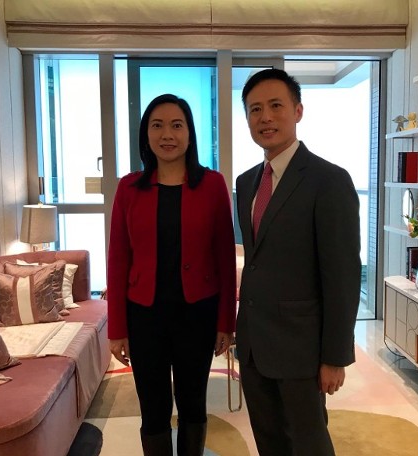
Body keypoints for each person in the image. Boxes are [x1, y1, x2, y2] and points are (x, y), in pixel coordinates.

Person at [235, 68, 361, 456]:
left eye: (276, 105)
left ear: (298, 111)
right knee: (269, 441)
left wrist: (335, 356)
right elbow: (256, 262)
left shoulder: (329, 180)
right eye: (255, 109)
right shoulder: (246, 182)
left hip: (301, 348)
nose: (265, 117)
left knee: (309, 444)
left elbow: (342, 275)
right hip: (254, 345)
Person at [106, 94, 237, 456]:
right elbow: (117, 260)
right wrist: (116, 329)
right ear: (145, 134)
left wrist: (226, 322)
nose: (167, 134)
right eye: (157, 125)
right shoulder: (128, 188)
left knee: (193, 402)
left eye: (177, 125)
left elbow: (225, 258)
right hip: (144, 315)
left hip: (198, 313)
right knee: (153, 406)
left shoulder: (212, 185)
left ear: (190, 134)